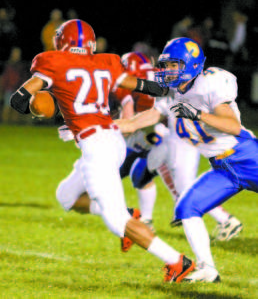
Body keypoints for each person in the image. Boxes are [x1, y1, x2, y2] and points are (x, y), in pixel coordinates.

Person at [9, 19, 194, 283]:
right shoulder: (105, 62)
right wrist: (165, 89)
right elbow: (142, 85)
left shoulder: (51, 62)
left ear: (62, 42)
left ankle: (177, 262)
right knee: (66, 195)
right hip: (111, 139)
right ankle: (132, 215)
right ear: (91, 44)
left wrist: (37, 109)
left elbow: (18, 101)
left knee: (116, 222)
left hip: (98, 147)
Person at [115, 37, 256, 282]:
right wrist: (90, 127)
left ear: (190, 65)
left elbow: (232, 126)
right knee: (187, 208)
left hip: (246, 157)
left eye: (174, 65)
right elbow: (135, 122)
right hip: (222, 168)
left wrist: (197, 113)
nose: (167, 71)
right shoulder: (172, 93)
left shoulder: (209, 84)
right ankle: (208, 269)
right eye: (166, 65)